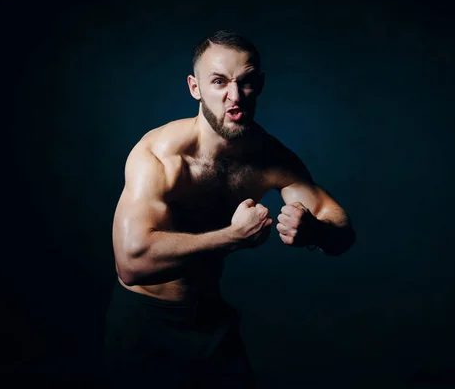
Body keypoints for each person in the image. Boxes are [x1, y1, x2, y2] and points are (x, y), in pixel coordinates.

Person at [103, 29, 356, 388]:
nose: (234, 97)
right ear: (195, 88)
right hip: (145, 322)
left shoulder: (270, 157)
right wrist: (233, 236)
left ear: (260, 85)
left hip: (210, 321)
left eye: (246, 82)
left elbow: (342, 230)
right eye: (219, 82)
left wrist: (315, 230)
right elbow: (132, 263)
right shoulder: (160, 156)